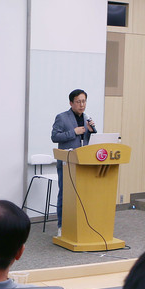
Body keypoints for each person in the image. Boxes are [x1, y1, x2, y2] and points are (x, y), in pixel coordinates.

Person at [51, 88, 96, 237]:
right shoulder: (62, 117)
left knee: (83, 194)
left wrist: (91, 130)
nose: (82, 104)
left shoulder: (87, 118)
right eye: (78, 101)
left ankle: (81, 225)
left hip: (83, 162)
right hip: (67, 162)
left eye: (84, 101)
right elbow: (55, 137)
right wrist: (73, 132)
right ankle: (61, 226)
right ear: (71, 103)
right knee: (65, 194)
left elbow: (87, 140)